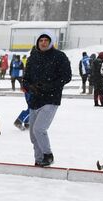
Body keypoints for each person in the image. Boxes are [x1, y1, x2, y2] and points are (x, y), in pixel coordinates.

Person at [22, 32, 71, 168]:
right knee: (33, 134)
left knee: (39, 129)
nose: (43, 43)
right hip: (35, 100)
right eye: (41, 40)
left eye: (46, 40)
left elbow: (66, 76)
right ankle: (39, 160)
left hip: (51, 99)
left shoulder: (59, 57)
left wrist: (49, 86)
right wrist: (31, 86)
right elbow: (25, 79)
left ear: (51, 42)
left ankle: (47, 155)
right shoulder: (33, 58)